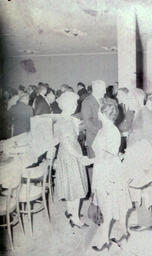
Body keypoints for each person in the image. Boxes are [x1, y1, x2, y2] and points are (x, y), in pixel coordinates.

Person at [87, 98, 130, 251]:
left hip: (108, 171)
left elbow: (110, 155)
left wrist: (91, 160)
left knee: (108, 205)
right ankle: (122, 232)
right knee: (110, 203)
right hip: (102, 168)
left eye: (99, 109)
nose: (97, 112)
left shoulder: (112, 131)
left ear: (104, 113)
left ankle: (104, 240)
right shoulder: (103, 129)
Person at [118, 88, 152, 232]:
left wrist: (140, 155)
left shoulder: (145, 113)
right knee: (140, 189)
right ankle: (147, 219)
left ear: (137, 99)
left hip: (142, 158)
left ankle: (146, 223)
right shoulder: (138, 113)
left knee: (142, 190)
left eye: (130, 99)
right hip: (136, 156)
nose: (128, 101)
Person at [54, 91, 88, 227]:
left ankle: (70, 211)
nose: (76, 106)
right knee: (76, 188)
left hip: (65, 155)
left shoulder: (63, 118)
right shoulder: (66, 121)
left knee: (69, 186)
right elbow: (68, 145)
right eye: (74, 103)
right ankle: (75, 219)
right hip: (71, 155)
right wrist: (80, 157)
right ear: (69, 105)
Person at [81, 80, 106, 158]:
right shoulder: (87, 102)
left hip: (104, 137)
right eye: (103, 89)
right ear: (96, 89)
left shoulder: (103, 100)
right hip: (95, 137)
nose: (105, 92)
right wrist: (100, 133)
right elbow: (87, 122)